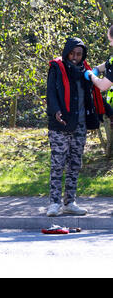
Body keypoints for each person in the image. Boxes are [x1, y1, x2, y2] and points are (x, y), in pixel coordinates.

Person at [46, 37, 106, 217]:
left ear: (83, 56)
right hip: (60, 126)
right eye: (72, 53)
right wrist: (56, 111)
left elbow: (93, 95)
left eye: (79, 54)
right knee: (58, 165)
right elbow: (50, 93)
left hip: (80, 125)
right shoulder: (57, 68)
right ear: (66, 53)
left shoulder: (86, 72)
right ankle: (54, 204)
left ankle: (69, 202)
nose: (75, 57)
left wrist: (107, 111)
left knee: (74, 165)